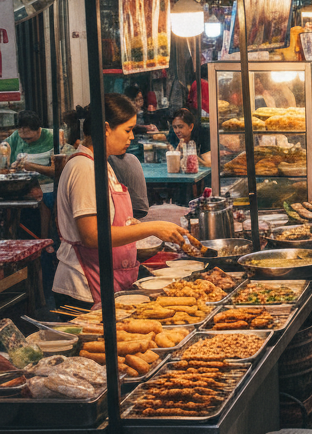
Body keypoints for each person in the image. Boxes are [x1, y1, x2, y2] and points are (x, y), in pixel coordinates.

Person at [53, 95, 196, 308]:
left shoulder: (101, 164)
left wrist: (133, 226)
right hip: (83, 287)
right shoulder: (84, 168)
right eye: (128, 130)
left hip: (105, 279)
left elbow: (107, 223)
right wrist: (152, 228)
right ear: (106, 128)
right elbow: (92, 236)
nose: (131, 137)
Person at [8, 111, 56, 196]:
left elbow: (57, 170)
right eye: (23, 139)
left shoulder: (52, 138)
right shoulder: (15, 136)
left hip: (47, 189)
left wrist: (31, 166)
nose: (26, 141)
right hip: (22, 188)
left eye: (29, 138)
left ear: (38, 130)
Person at [109, 149, 149, 219]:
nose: (131, 137)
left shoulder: (109, 159)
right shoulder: (132, 157)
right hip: (140, 208)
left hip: (129, 211)